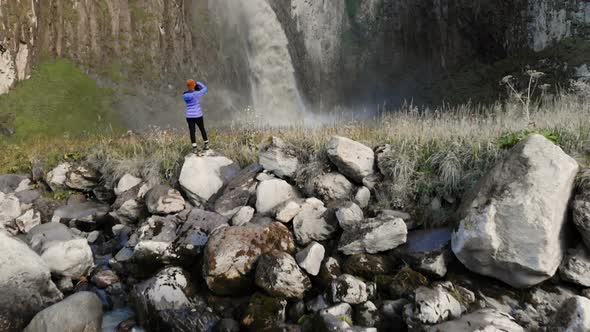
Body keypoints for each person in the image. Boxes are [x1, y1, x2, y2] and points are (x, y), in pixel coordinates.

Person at [183, 79, 209, 153]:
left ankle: (194, 148)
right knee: (202, 129)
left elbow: (190, 93)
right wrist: (198, 83)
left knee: (192, 131)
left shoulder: (184, 95)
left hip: (189, 116)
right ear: (193, 85)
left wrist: (193, 86)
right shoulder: (197, 93)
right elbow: (205, 88)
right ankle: (206, 144)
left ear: (187, 86)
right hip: (198, 115)